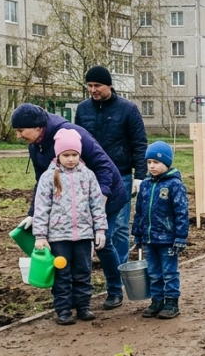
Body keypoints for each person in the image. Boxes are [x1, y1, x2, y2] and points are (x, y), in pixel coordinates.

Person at [12, 103, 130, 308]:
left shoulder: (73, 135)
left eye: (21, 130)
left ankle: (115, 288)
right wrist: (33, 214)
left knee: (103, 242)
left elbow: (103, 166)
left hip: (104, 194)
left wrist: (100, 202)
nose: (19, 135)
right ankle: (73, 297)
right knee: (66, 246)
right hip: (70, 203)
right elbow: (42, 182)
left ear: (38, 126)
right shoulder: (36, 145)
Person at [74, 65, 147, 309]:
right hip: (91, 178)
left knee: (116, 229)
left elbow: (139, 143)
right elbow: (77, 141)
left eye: (98, 86)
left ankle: (118, 280)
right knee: (96, 228)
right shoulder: (83, 109)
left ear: (110, 86)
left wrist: (140, 175)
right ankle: (114, 277)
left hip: (122, 176)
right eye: (90, 86)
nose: (93, 90)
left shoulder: (127, 109)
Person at [31, 129, 108, 325]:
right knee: (62, 275)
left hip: (83, 235)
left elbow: (96, 204)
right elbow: (41, 207)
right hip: (58, 238)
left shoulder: (88, 175)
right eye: (66, 155)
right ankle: (63, 310)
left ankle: (83, 306)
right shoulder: (49, 177)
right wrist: (40, 235)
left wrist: (100, 230)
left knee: (83, 272)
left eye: (75, 155)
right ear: (58, 155)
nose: (71, 159)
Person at [132, 141, 189, 318]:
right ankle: (157, 300)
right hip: (150, 238)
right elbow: (139, 211)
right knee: (154, 272)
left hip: (168, 239)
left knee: (169, 272)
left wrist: (180, 236)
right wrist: (138, 233)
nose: (152, 166)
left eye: (156, 162)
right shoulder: (146, 185)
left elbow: (181, 212)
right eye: (149, 163)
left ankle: (172, 302)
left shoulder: (174, 185)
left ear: (166, 163)